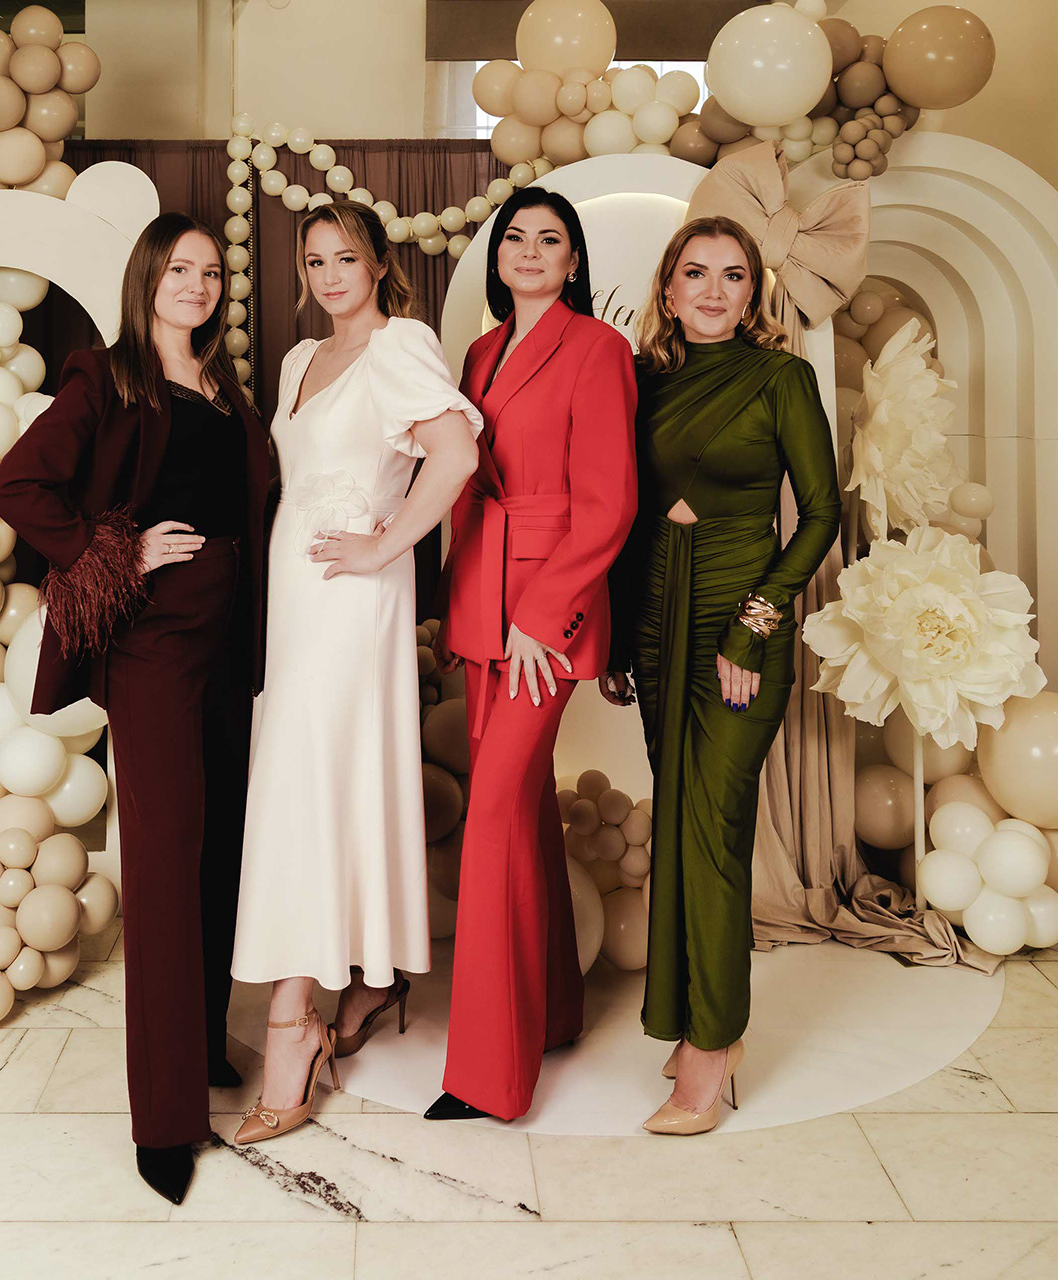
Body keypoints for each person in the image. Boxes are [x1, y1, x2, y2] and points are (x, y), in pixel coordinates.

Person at [0, 212, 278, 1205]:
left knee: (217, 846)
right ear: (146, 277)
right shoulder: (104, 377)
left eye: (211, 273)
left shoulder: (223, 382)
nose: (197, 285)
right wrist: (117, 550)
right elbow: (18, 484)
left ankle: (201, 1045)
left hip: (230, 639)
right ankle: (164, 1120)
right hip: (154, 644)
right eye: (179, 269)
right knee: (161, 861)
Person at [229, 203, 481, 1145]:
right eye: (315, 260)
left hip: (350, 601)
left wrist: (385, 546)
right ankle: (371, 980)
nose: (331, 274)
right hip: (293, 602)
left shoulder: (399, 344)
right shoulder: (300, 358)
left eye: (346, 257)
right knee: (311, 784)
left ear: (378, 263)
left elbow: (457, 454)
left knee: (308, 789)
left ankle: (293, 1021)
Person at [603, 215, 841, 1135]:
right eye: (695, 273)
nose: (712, 290)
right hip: (656, 621)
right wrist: (617, 639)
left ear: (753, 294)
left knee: (712, 828)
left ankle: (714, 1044)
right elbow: (622, 513)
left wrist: (754, 624)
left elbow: (819, 515)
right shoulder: (639, 381)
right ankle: (689, 1017)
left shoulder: (782, 378)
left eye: (732, 275)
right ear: (668, 290)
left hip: (742, 621)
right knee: (680, 821)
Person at [429, 187, 637, 1123]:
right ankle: (553, 1010)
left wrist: (543, 617)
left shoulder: (598, 348)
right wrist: (457, 605)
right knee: (515, 809)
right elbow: (467, 486)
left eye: (549, 240)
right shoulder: (479, 353)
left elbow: (609, 502)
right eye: (515, 237)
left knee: (493, 820)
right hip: (482, 600)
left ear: (573, 261)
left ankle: (489, 1076)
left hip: (543, 615)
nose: (528, 251)